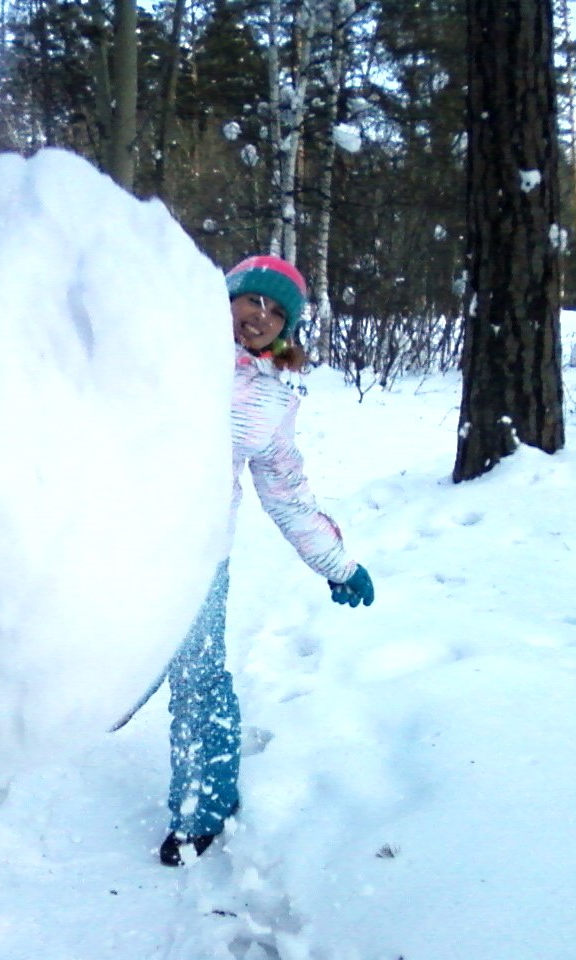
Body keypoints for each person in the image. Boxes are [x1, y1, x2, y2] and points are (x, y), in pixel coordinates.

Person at [159, 254, 375, 867]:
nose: (260, 317)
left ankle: (201, 810)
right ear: (225, 298)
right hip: (115, 542)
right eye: (252, 299)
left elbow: (284, 486)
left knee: (198, 681)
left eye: (277, 312)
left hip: (198, 556)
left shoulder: (273, 393)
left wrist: (334, 562)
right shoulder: (162, 350)